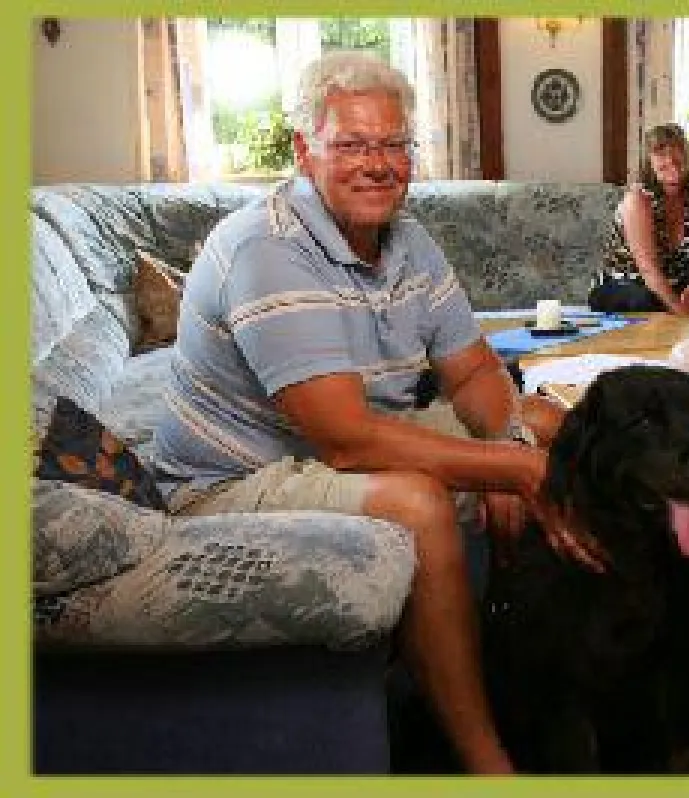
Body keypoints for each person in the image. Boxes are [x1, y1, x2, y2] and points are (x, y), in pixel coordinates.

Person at [152, 51, 601, 775]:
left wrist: (514, 438)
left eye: (394, 144)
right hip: (234, 477)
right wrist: (511, 469)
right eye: (352, 144)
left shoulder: (411, 241)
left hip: (331, 443)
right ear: (305, 151)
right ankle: (486, 761)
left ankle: (536, 659)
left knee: (548, 422)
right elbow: (348, 441)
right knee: (419, 502)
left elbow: (474, 371)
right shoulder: (266, 248)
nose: (378, 164)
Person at [588, 123, 689, 317]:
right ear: (649, 164)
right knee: (648, 301)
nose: (673, 170)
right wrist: (681, 313)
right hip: (622, 284)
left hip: (673, 284)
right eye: (663, 164)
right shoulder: (639, 199)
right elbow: (648, 270)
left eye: (678, 161)